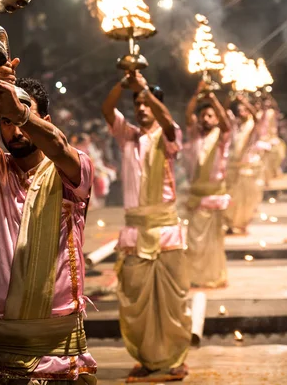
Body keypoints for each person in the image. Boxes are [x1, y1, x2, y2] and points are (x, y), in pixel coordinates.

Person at [0, 59, 97, 385]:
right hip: (1, 339)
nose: (13, 129)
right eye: (5, 120)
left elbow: (57, 145)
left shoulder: (71, 168)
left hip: (58, 341)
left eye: (22, 116)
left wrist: (19, 112)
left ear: (45, 119)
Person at [102, 71, 191, 382]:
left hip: (165, 229)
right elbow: (107, 109)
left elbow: (169, 123)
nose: (141, 109)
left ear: (156, 106)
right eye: (137, 104)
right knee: (134, 300)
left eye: (147, 104)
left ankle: (176, 358)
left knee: (172, 300)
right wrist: (122, 84)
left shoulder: (168, 135)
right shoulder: (127, 135)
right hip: (134, 231)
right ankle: (147, 358)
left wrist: (145, 90)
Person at [183, 81, 232, 289]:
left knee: (213, 242)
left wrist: (212, 98)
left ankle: (212, 276)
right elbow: (188, 115)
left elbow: (226, 124)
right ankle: (195, 276)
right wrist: (197, 93)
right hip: (196, 197)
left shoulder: (221, 136)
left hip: (213, 197)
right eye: (203, 115)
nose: (205, 118)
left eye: (210, 116)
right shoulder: (195, 134)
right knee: (193, 242)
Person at [225, 95, 264, 234]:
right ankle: (230, 223)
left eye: (245, 110)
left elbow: (256, 118)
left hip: (245, 168)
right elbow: (223, 114)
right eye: (240, 110)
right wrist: (230, 100)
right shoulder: (234, 126)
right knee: (231, 198)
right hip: (231, 167)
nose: (242, 112)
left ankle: (241, 224)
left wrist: (245, 102)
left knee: (244, 199)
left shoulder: (251, 127)